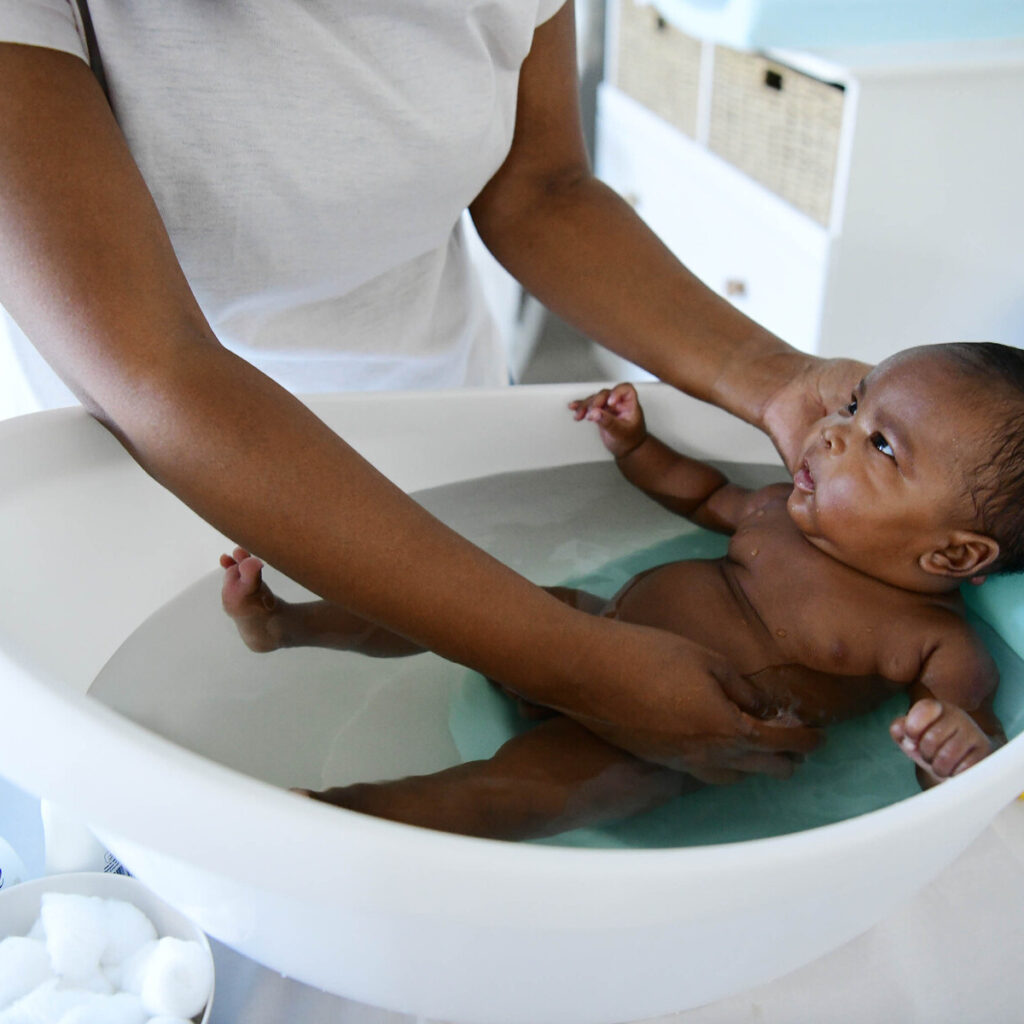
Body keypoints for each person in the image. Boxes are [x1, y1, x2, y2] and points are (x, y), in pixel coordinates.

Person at [0, 2, 863, 780]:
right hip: (182, 478)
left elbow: (542, 191)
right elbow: (155, 370)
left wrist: (779, 381)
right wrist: (581, 666)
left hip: (451, 412)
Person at [220, 342, 1017, 840]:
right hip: (598, 631)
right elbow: (702, 496)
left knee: (514, 795)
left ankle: (336, 819)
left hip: (668, 743)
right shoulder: (781, 511)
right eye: (851, 402)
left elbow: (963, 757)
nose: (833, 429)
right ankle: (290, 623)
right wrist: (635, 446)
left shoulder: (934, 640)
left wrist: (951, 749)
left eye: (879, 443)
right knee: (489, 604)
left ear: (953, 553)